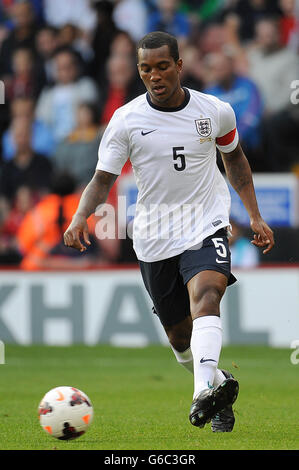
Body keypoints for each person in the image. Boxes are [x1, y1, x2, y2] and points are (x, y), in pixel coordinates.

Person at [63, 31, 274, 431]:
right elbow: (102, 178)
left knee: (208, 293)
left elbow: (236, 161)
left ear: (179, 66)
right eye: (146, 68)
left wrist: (255, 215)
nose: (155, 76)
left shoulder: (215, 111)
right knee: (180, 339)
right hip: (155, 235)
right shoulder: (126, 120)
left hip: (206, 221)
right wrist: (79, 217)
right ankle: (217, 383)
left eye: (162, 66)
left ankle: (199, 395)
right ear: (139, 71)